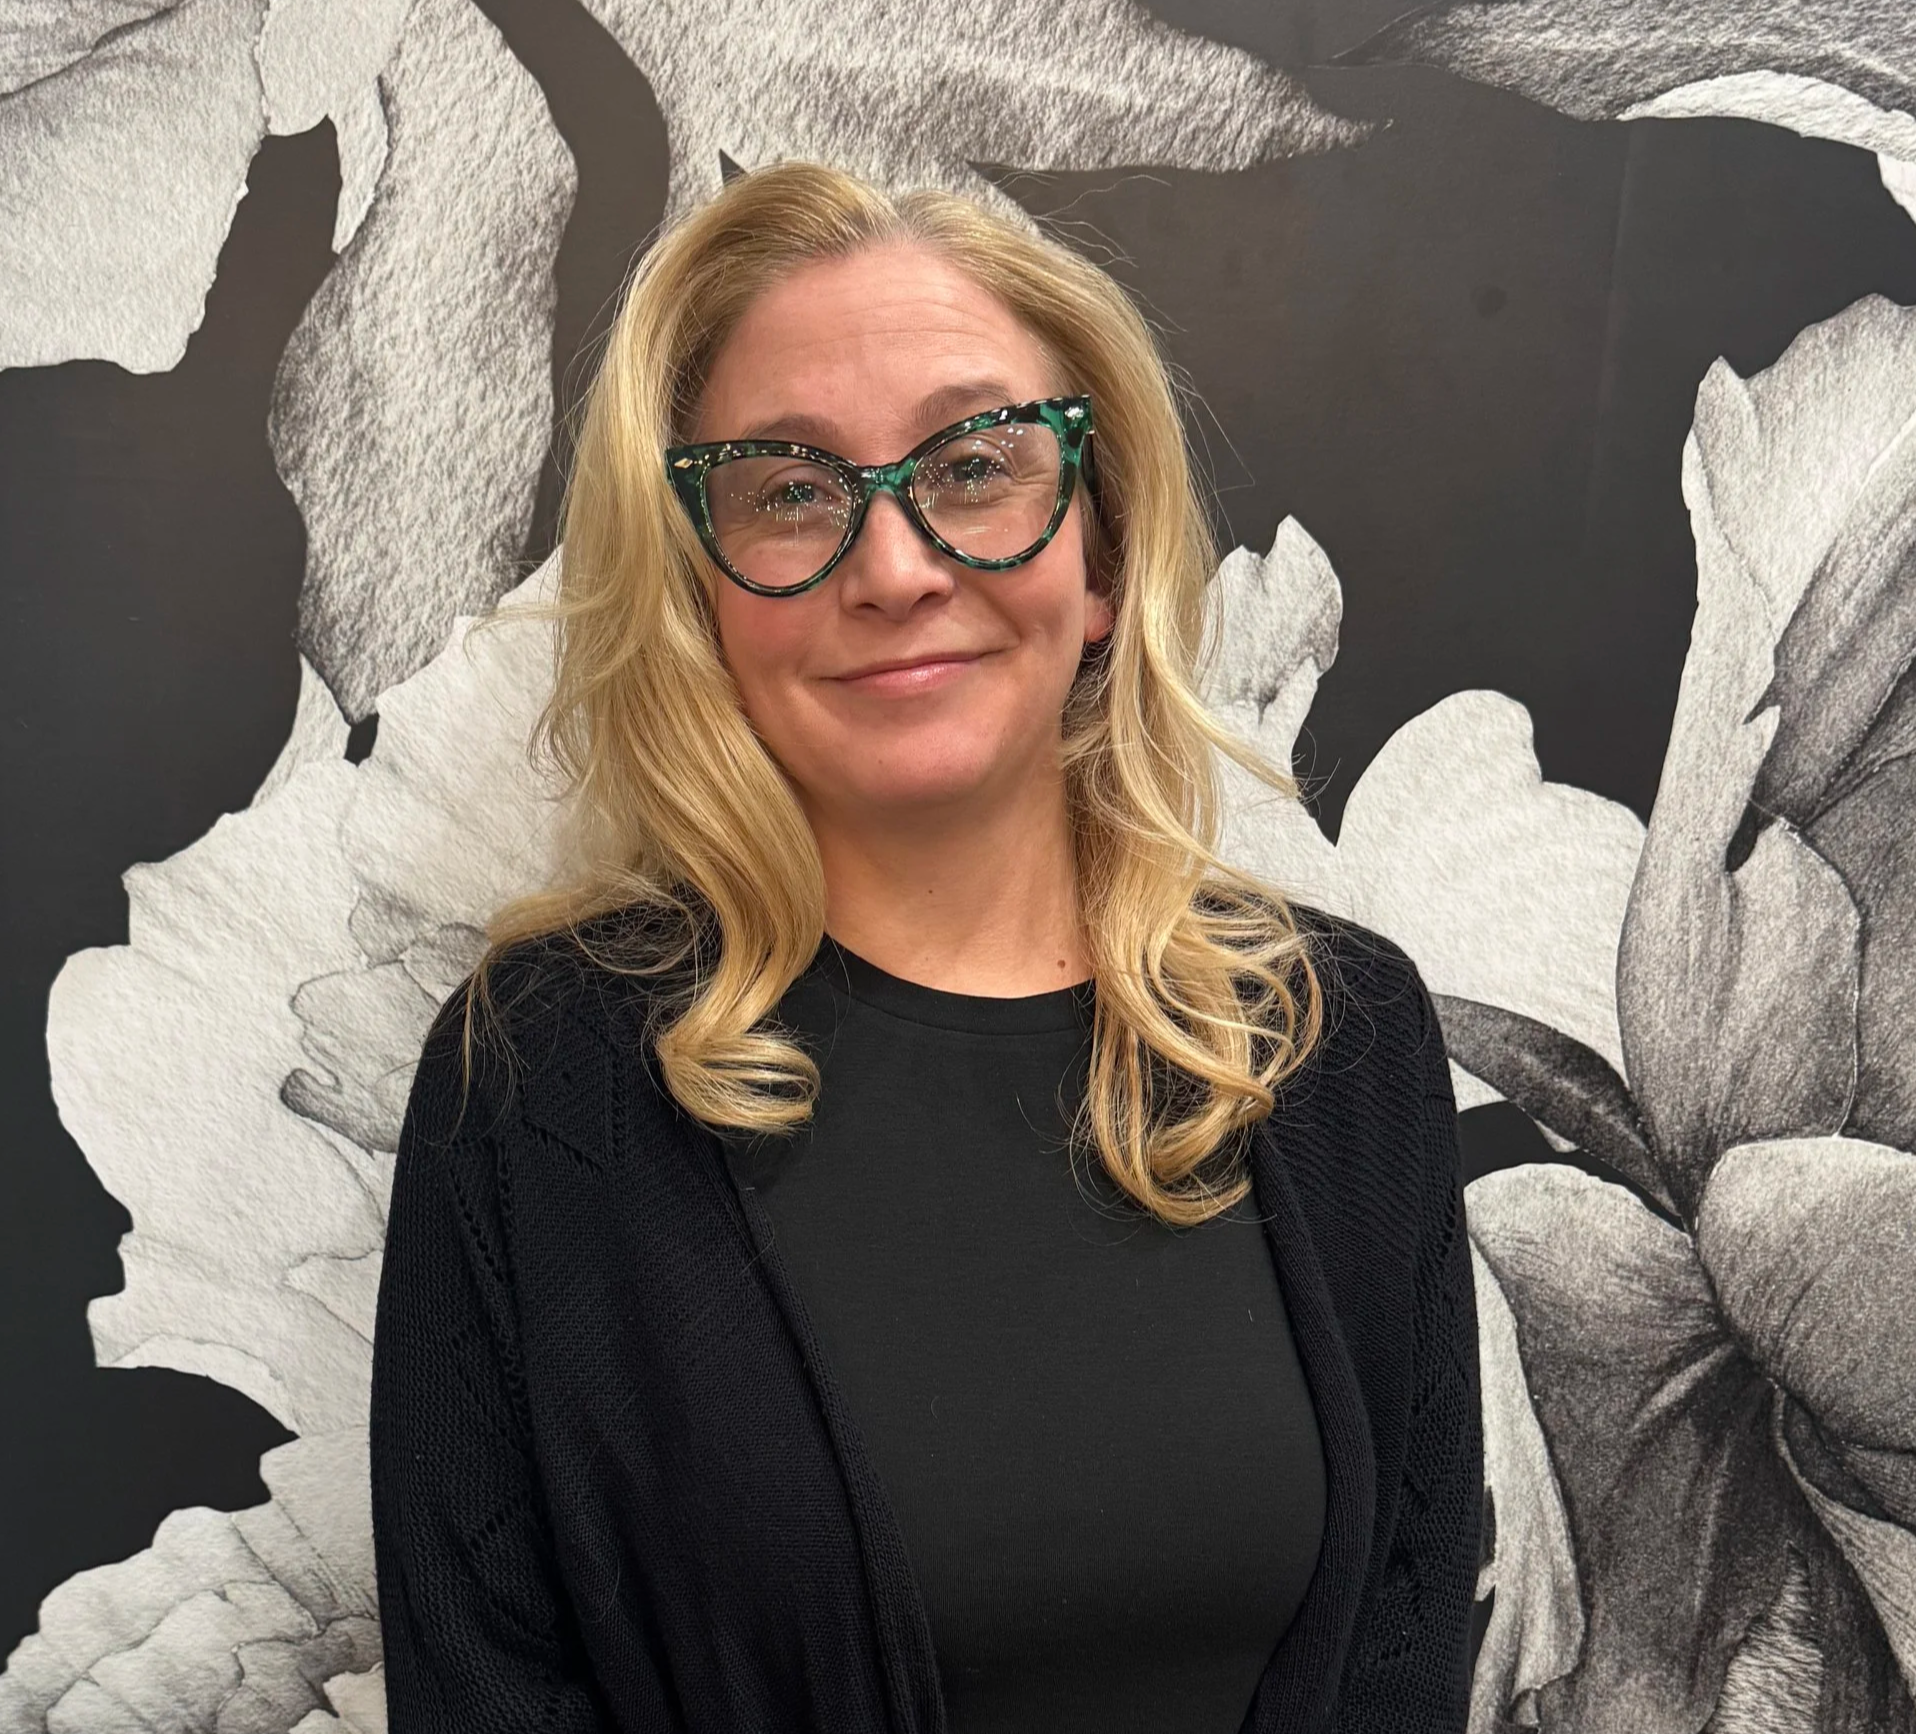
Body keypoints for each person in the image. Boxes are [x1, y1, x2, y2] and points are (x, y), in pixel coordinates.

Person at [368, 158, 1482, 1734]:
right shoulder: (536, 1085)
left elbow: (1406, 1634)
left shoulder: (1337, 1041)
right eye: (792, 489)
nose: (894, 568)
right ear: (706, 598)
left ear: (1099, 555)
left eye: (974, 466)